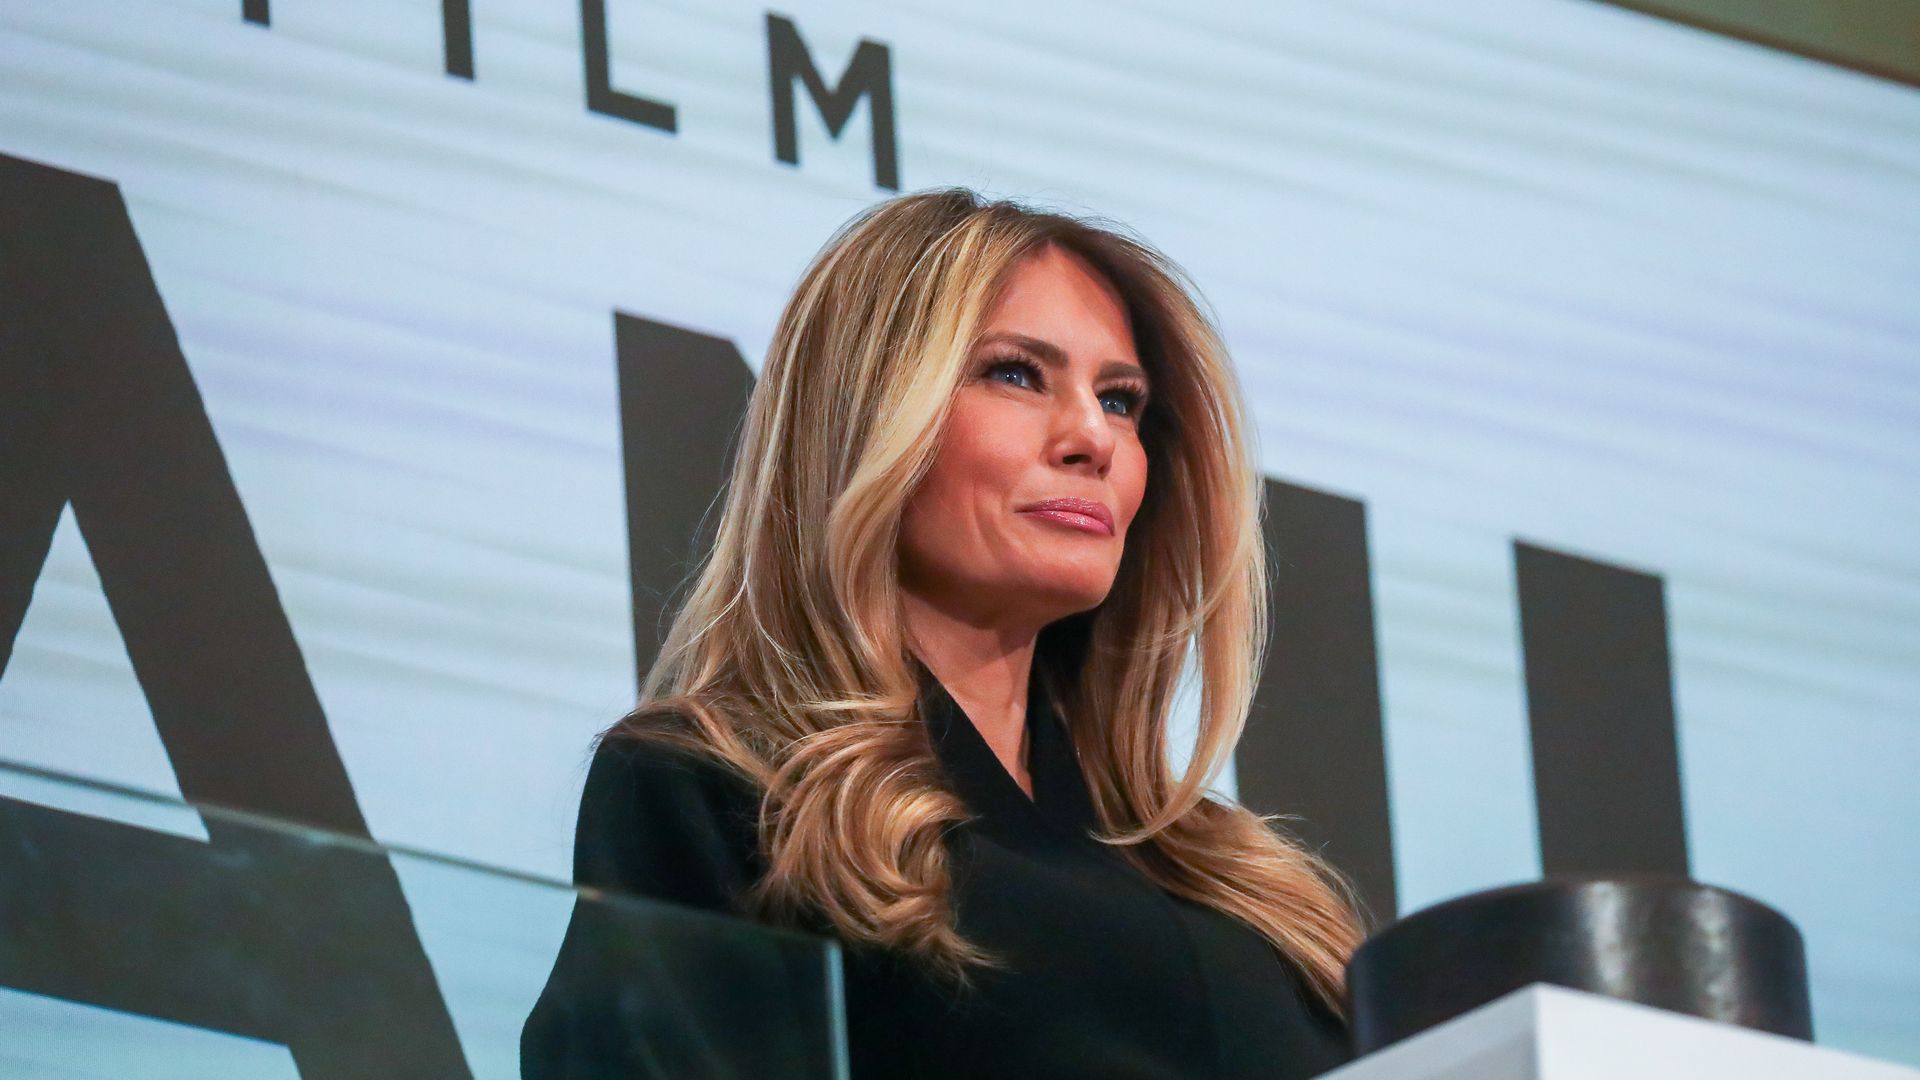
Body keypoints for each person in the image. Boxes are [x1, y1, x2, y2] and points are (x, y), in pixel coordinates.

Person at [521, 189, 1368, 1079]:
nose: (1093, 435)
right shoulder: (727, 793)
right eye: (1015, 373)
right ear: (865, 419)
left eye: (1121, 401)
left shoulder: (1242, 883)